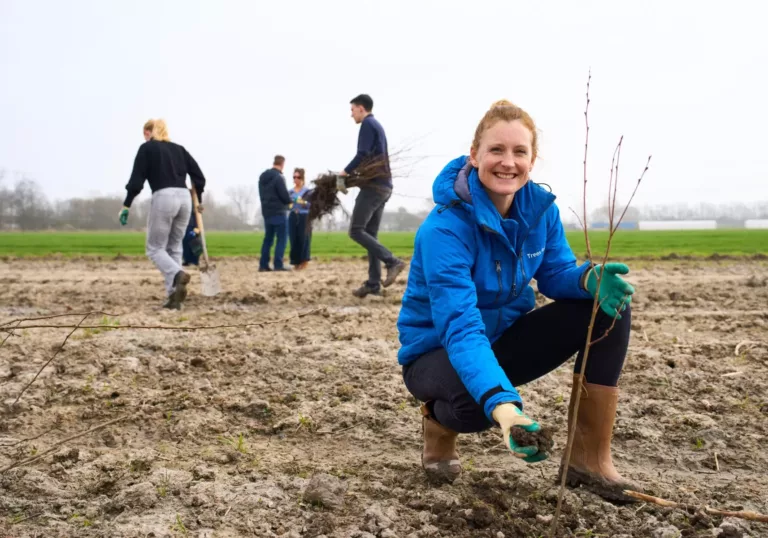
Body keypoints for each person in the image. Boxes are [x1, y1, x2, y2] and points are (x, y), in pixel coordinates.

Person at [396, 100, 640, 502]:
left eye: (519, 152)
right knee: (477, 408)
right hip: (437, 353)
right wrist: (507, 410)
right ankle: (438, 423)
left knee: (607, 311)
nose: (507, 162)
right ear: (474, 156)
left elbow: (556, 273)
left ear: (532, 159)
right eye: (496, 150)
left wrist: (586, 279)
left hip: (504, 340)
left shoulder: (540, 211)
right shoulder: (443, 230)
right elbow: (460, 328)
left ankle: (587, 461)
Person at [120, 119, 205, 309]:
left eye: (144, 133)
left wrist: (127, 205)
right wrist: (198, 197)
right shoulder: (179, 149)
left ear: (149, 132)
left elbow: (136, 180)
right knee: (174, 247)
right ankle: (173, 297)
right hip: (184, 198)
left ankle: (177, 274)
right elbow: (199, 177)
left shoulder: (147, 148)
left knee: (154, 248)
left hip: (164, 196)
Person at [338, 94, 406, 297]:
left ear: (361, 108)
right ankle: (373, 283)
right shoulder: (376, 125)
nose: (351, 115)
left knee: (356, 230)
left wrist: (344, 173)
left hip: (374, 188)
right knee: (370, 234)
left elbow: (362, 154)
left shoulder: (368, 124)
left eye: (352, 110)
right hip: (384, 186)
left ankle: (392, 261)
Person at [258, 155, 291, 272]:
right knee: (282, 239)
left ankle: (263, 265)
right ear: (282, 164)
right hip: (279, 212)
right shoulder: (279, 177)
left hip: (267, 212)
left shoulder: (262, 177)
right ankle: (278, 264)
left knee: (268, 239)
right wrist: (290, 201)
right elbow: (284, 196)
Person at [288, 167, 312, 270]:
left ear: (302, 178)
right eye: (294, 177)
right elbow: (288, 205)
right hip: (293, 215)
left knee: (304, 238)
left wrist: (300, 201)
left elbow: (310, 204)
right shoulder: (290, 191)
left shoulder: (308, 191)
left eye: (298, 177)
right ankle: (295, 261)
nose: (296, 179)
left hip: (304, 216)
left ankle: (304, 260)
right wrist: (291, 205)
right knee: (294, 239)